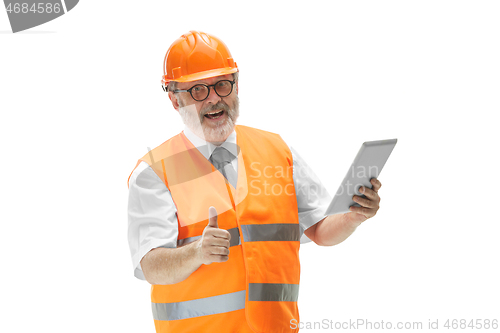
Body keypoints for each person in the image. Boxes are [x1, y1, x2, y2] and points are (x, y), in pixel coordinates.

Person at [127, 30, 382, 333]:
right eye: (198, 90)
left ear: (236, 84)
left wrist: (353, 216)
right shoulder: (154, 172)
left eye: (222, 85)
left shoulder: (277, 150)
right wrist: (197, 252)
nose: (214, 99)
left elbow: (320, 230)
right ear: (174, 98)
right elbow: (151, 266)